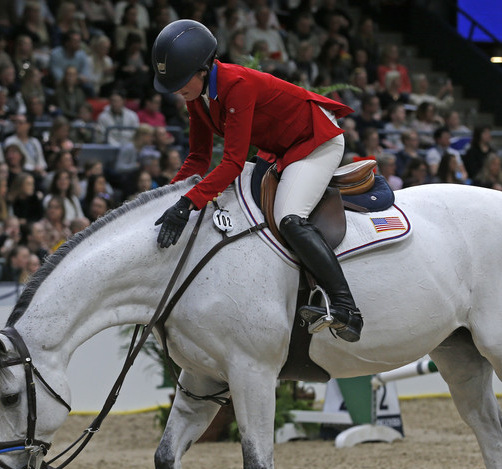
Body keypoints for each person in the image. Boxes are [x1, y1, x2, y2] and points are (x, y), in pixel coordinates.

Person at [151, 19, 362, 342]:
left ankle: (346, 307)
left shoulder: (237, 85)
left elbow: (233, 162)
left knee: (288, 217)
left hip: (314, 140)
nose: (178, 91)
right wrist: (170, 198)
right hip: (279, 147)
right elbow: (198, 159)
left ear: (203, 69)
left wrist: (188, 203)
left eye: (181, 81)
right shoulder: (197, 96)